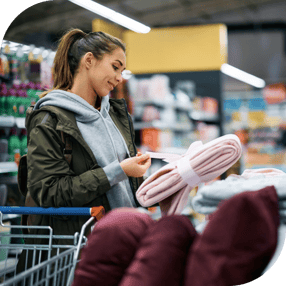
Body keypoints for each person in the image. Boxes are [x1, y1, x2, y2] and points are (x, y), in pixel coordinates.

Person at [16, 28, 151, 272]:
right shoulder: (49, 119)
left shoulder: (117, 116)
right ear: (89, 60)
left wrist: (156, 186)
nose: (120, 77)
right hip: (77, 253)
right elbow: (50, 192)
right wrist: (118, 170)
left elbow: (122, 184)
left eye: (122, 70)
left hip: (124, 243)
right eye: (115, 67)